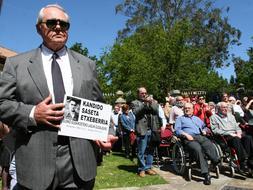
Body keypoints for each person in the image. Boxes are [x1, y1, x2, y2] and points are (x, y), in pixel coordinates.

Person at [0, 4, 117, 190]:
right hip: (35, 162)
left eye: (64, 24)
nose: (58, 27)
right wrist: (32, 113)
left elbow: (99, 105)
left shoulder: (87, 64)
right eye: (52, 22)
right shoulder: (16, 64)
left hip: (80, 164)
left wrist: (107, 132)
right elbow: (2, 103)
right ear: (39, 27)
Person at [174, 103, 220, 185]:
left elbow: (205, 126)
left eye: (189, 108)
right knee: (197, 149)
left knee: (209, 144)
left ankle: (215, 161)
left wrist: (205, 130)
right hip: (188, 138)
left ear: (192, 109)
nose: (187, 109)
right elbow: (177, 130)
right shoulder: (180, 119)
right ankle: (206, 174)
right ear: (183, 109)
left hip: (199, 136)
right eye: (185, 108)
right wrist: (186, 135)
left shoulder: (197, 119)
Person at [210, 102, 253, 171]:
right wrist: (229, 133)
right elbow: (215, 130)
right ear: (218, 108)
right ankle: (243, 162)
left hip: (235, 134)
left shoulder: (231, 116)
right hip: (225, 137)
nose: (225, 109)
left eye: (226, 107)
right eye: (223, 107)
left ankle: (250, 160)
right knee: (236, 139)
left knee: (248, 138)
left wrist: (239, 132)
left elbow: (237, 126)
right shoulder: (214, 117)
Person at [131, 87, 162, 177]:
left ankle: (148, 167)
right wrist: (144, 104)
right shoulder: (134, 103)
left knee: (150, 150)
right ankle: (141, 169)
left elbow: (156, 110)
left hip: (152, 129)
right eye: (142, 93)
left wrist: (151, 102)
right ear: (138, 94)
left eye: (145, 93)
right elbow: (136, 113)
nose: (144, 94)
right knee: (141, 151)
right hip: (142, 129)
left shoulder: (152, 101)